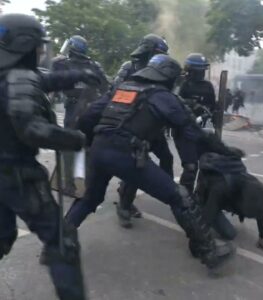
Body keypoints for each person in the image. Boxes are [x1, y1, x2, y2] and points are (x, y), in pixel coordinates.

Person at [65, 54, 236, 271]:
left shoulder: (122, 87)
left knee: (89, 198)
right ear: (168, 78)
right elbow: (196, 133)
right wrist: (227, 151)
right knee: (179, 196)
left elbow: (88, 117)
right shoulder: (164, 96)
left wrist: (96, 145)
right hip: (126, 153)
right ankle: (209, 252)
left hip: (99, 149)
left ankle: (56, 245)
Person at [0, 14, 88, 299]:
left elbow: (42, 81)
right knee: (61, 241)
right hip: (16, 173)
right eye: (38, 47)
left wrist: (78, 74)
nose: (41, 53)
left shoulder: (10, 75)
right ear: (24, 46)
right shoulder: (19, 77)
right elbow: (32, 128)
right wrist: (73, 139)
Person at [113, 34, 173, 226]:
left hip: (154, 126)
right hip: (133, 126)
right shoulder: (128, 68)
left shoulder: (161, 72)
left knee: (167, 158)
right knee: (137, 165)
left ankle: (168, 192)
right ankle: (124, 205)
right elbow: (116, 93)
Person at [52, 35, 109, 196]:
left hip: (73, 109)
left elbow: (53, 85)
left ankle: (69, 185)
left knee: (69, 146)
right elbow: (105, 87)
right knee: (89, 146)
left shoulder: (61, 64)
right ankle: (89, 183)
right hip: (91, 109)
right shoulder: (94, 65)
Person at [195, 152, 263, 252]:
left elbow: (261, 212)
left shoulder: (259, 190)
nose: (254, 214)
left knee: (256, 211)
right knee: (229, 234)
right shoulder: (220, 189)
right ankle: (196, 209)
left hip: (230, 198)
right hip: (208, 193)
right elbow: (208, 215)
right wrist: (200, 240)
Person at [176, 53, 216, 194]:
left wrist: (209, 113)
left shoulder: (208, 86)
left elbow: (212, 106)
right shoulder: (182, 85)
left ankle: (200, 195)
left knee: (206, 164)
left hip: (202, 129)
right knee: (190, 167)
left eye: (203, 71)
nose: (201, 74)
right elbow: (174, 102)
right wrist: (191, 105)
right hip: (183, 130)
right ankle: (184, 198)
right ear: (190, 70)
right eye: (199, 71)